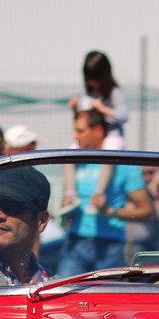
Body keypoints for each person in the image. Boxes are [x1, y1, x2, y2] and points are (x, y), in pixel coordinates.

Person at [56, 110, 152, 277]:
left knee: (105, 300)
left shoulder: (125, 164)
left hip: (110, 247)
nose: (75, 136)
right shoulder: (75, 161)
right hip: (75, 242)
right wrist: (65, 206)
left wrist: (111, 211)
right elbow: (69, 210)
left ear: (98, 130)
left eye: (80, 131)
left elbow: (146, 212)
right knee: (62, 298)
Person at [64, 51, 129, 215]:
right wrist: (75, 109)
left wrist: (102, 109)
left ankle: (98, 193)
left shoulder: (114, 92)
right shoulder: (88, 92)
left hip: (112, 134)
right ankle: (71, 193)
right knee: (68, 153)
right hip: (93, 135)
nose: (92, 82)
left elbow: (123, 116)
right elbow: (86, 119)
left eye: (95, 77)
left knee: (109, 152)